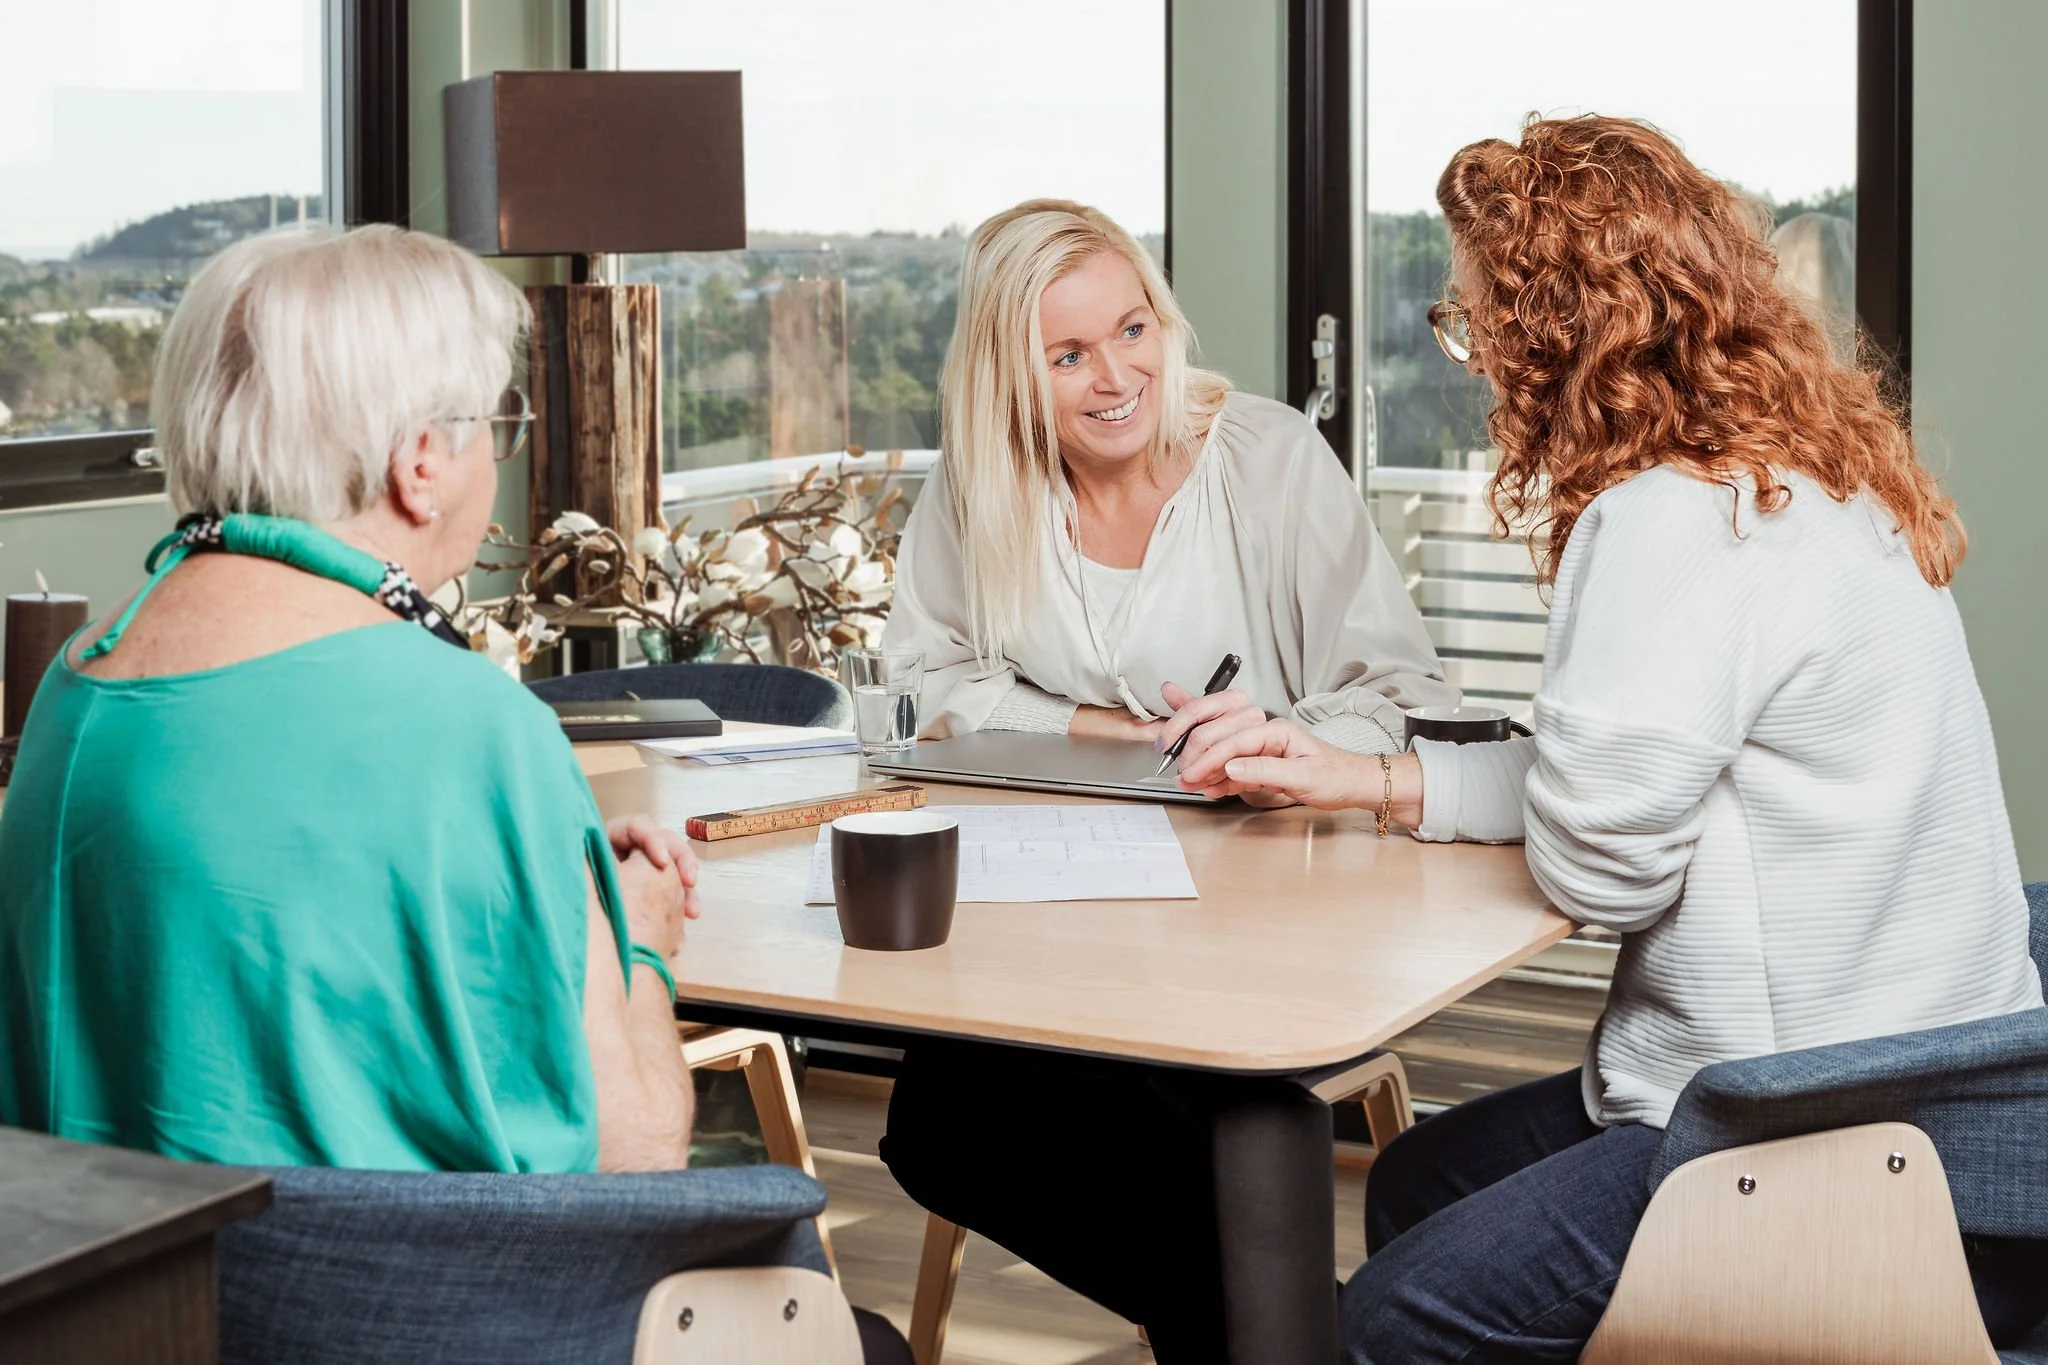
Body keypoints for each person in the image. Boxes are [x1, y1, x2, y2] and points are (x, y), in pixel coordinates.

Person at [1160, 115, 2048, 1359]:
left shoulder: (1668, 523)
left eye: (1476, 320)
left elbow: (1601, 871)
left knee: (1390, 1319)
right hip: (1964, 1132)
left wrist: (1509, 788)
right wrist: (1368, 778)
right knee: (1417, 1179)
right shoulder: (1819, 474)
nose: (1475, 358)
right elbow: (1642, 776)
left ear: (1552, 334)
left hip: (1810, 1143)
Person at [884, 197, 1455, 755]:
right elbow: (915, 682)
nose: (1117, 379)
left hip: (1268, 816)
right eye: (1069, 357)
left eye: (1132, 330)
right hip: (1056, 813)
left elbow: (1402, 697)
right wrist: (1095, 726)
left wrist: (1288, 761)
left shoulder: (1273, 456)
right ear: (1009, 379)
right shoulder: (980, 481)